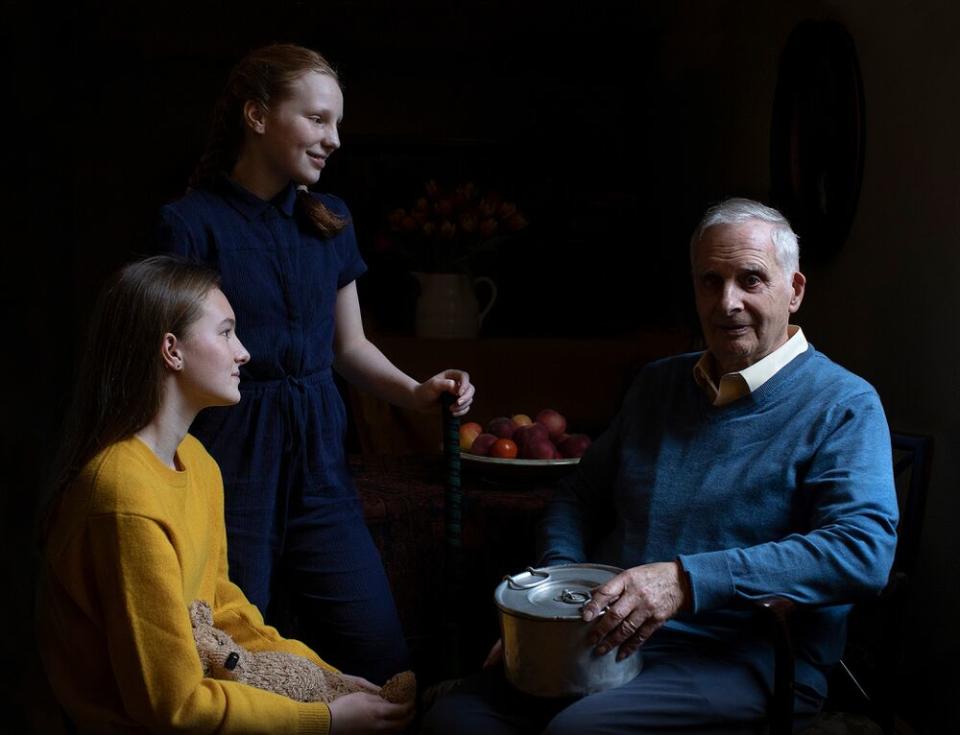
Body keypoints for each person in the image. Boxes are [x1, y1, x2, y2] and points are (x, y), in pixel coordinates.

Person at [421, 197, 899, 734]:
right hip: (600, 636)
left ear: (795, 290)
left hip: (738, 657)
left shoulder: (844, 403)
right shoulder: (657, 384)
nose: (728, 302)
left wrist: (685, 581)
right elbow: (577, 497)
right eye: (709, 281)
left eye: (751, 279)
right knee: (452, 719)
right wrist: (556, 600)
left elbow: (863, 551)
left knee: (577, 732)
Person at [155, 43, 475, 684]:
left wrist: (416, 391)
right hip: (228, 460)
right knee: (232, 661)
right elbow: (171, 360)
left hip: (321, 463)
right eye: (317, 119)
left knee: (384, 660)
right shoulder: (189, 225)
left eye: (338, 123)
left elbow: (347, 347)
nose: (334, 139)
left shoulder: (330, 221)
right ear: (257, 115)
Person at [36, 255, 414, 734]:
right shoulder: (122, 495)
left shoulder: (197, 461)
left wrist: (328, 681)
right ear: (171, 350)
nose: (245, 353)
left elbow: (225, 612)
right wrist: (323, 722)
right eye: (226, 332)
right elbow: (173, 708)